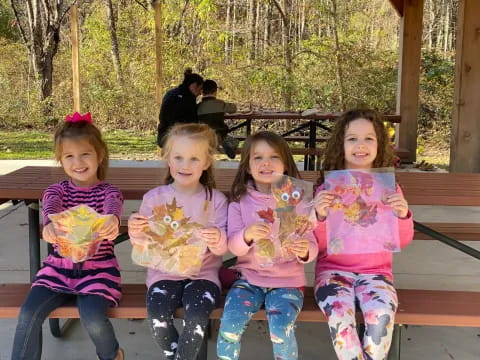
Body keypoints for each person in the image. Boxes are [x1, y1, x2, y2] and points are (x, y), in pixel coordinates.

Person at [11, 112, 124, 360]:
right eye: (69, 156)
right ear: (60, 160)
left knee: (92, 316)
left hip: (99, 271)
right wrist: (49, 226)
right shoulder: (57, 191)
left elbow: (113, 208)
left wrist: (111, 220)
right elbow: (50, 206)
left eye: (85, 154)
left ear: (100, 155)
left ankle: (112, 354)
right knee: (28, 314)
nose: (78, 162)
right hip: (58, 270)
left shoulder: (108, 192)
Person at [313, 109, 414, 359]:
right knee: (340, 318)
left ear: (380, 144)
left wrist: (403, 215)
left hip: (377, 274)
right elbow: (318, 244)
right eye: (352, 139)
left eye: (369, 138)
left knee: (381, 318)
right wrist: (320, 216)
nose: (361, 145)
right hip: (332, 273)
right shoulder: (328, 189)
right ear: (341, 145)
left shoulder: (388, 188)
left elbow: (400, 241)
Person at [128, 123, 228, 360]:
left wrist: (217, 238)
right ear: (168, 160)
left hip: (204, 276)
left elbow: (224, 248)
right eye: (179, 157)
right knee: (158, 318)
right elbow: (142, 247)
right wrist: (136, 231)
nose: (185, 165)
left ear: (206, 163)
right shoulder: (154, 199)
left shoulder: (216, 200)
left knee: (196, 318)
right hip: (163, 274)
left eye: (194, 158)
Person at [217, 131, 318, 360]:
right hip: (249, 280)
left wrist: (305, 251)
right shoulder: (239, 202)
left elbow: (312, 242)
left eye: (274, 157)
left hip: (288, 283)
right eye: (258, 157)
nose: (266, 163)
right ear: (247, 165)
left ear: (286, 163)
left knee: (281, 329)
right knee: (230, 324)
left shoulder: (296, 199)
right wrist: (247, 235)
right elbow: (233, 246)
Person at [156, 69, 204, 147]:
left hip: (163, 136)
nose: (200, 93)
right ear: (194, 85)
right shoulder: (188, 99)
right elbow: (192, 122)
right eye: (200, 89)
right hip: (178, 137)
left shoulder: (170, 93)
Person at [197, 79, 239, 159]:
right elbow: (234, 108)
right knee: (231, 140)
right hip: (220, 133)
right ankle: (226, 145)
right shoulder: (220, 104)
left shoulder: (198, 107)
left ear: (202, 92)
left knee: (213, 136)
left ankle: (221, 145)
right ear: (215, 91)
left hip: (204, 135)